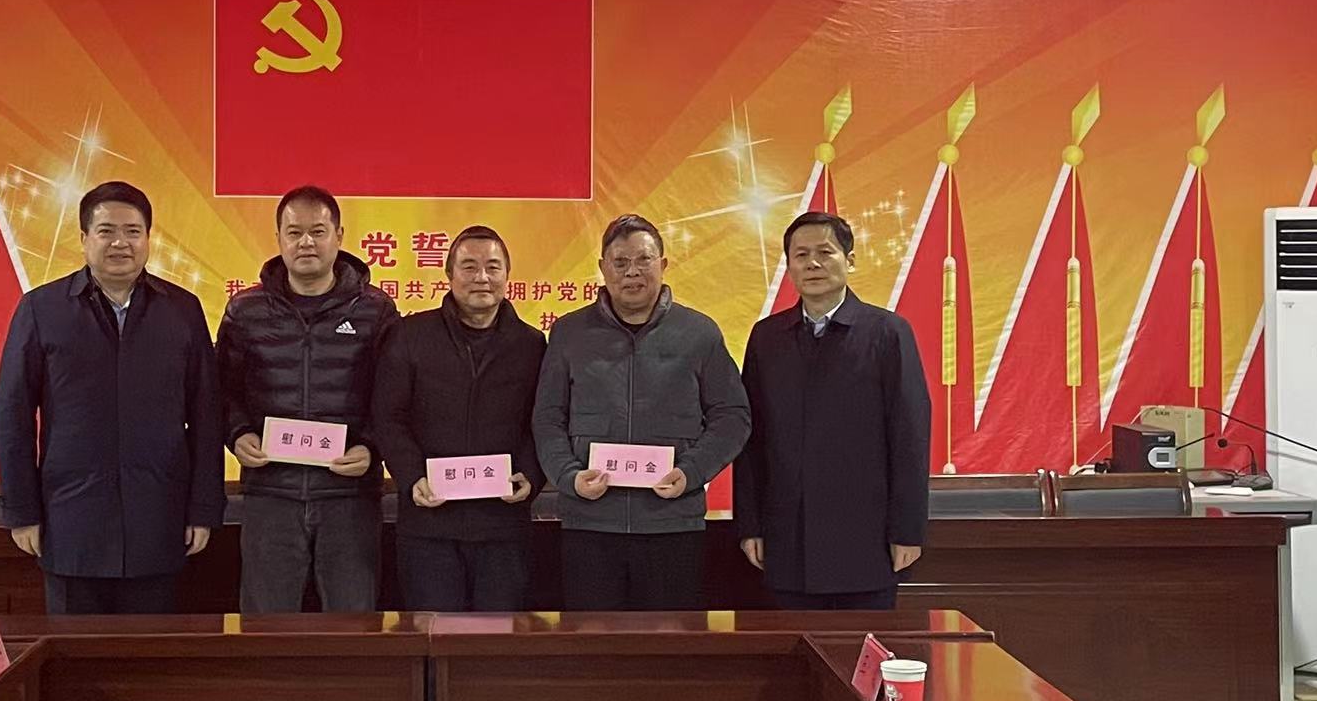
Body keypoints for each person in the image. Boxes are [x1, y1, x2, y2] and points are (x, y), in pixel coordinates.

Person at [0, 181, 223, 615]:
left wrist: (203, 508)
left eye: (133, 231)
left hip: (159, 518)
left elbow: (206, 415)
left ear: (148, 239)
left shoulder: (182, 310)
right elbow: (14, 416)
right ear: (84, 239)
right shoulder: (41, 310)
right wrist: (22, 510)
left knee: (150, 649)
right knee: (74, 650)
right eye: (106, 231)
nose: (121, 243)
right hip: (71, 521)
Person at [532, 213, 750, 611]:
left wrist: (691, 472)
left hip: (672, 524)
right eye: (620, 262)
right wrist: (568, 476)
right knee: (593, 638)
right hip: (590, 525)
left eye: (643, 260)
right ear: (602, 268)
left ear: (663, 265)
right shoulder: (569, 333)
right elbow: (547, 418)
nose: (632, 272)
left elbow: (732, 416)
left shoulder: (699, 333)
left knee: (669, 642)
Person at [736, 211, 932, 611]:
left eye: (825, 252)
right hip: (787, 537)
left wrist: (908, 530)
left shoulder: (887, 333)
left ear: (850, 260)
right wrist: (749, 525)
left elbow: (909, 435)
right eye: (801, 255)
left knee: (860, 647)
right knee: (792, 646)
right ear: (789, 266)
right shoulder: (767, 337)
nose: (813, 263)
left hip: (866, 538)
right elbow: (750, 438)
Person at [218, 185, 398, 613]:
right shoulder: (246, 311)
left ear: (339, 236)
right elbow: (221, 390)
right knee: (265, 627)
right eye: (294, 232)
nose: (306, 243)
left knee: (353, 624)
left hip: (348, 497)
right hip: (270, 494)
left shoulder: (375, 311)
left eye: (318, 231)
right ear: (278, 238)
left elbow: (393, 397)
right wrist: (237, 434)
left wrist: (371, 447)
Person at [373, 225, 546, 611]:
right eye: (469, 267)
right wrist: (411, 476)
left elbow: (543, 420)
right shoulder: (409, 335)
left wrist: (531, 474)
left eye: (493, 267)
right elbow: (388, 416)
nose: (482, 277)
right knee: (435, 637)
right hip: (429, 526)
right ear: (449, 274)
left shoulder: (531, 344)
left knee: (498, 639)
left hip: (503, 526)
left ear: (508, 275)